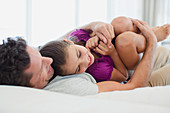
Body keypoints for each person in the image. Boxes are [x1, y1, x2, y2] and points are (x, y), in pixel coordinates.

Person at [40, 17, 170, 83]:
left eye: (79, 54)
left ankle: (145, 35)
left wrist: (98, 35)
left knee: (118, 23)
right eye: (79, 68)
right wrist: (112, 53)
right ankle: (151, 37)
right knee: (124, 41)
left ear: (68, 41)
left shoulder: (79, 36)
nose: (85, 61)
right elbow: (124, 75)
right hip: (129, 64)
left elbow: (101, 27)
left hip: (125, 44)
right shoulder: (97, 71)